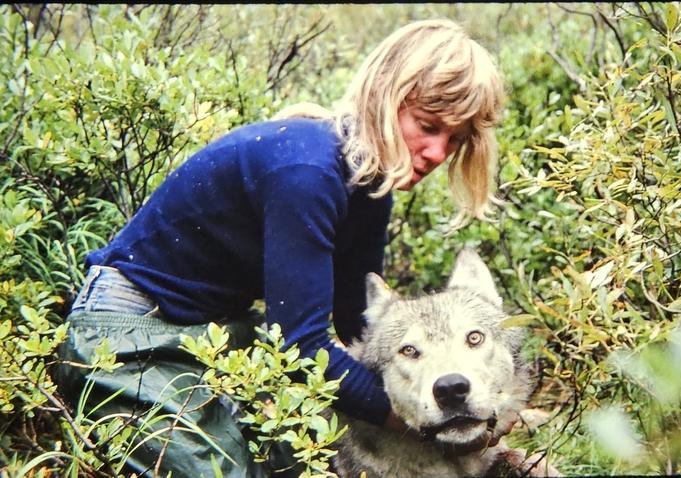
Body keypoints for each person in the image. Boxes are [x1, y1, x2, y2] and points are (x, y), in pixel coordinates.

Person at [56, 18, 505, 478]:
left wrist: (453, 402)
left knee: (303, 457)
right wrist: (421, 421)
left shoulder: (371, 185)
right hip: (124, 333)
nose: (436, 152)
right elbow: (301, 344)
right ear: (385, 96)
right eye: (428, 126)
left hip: (218, 332)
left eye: (455, 139)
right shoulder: (306, 172)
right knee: (220, 470)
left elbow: (357, 332)